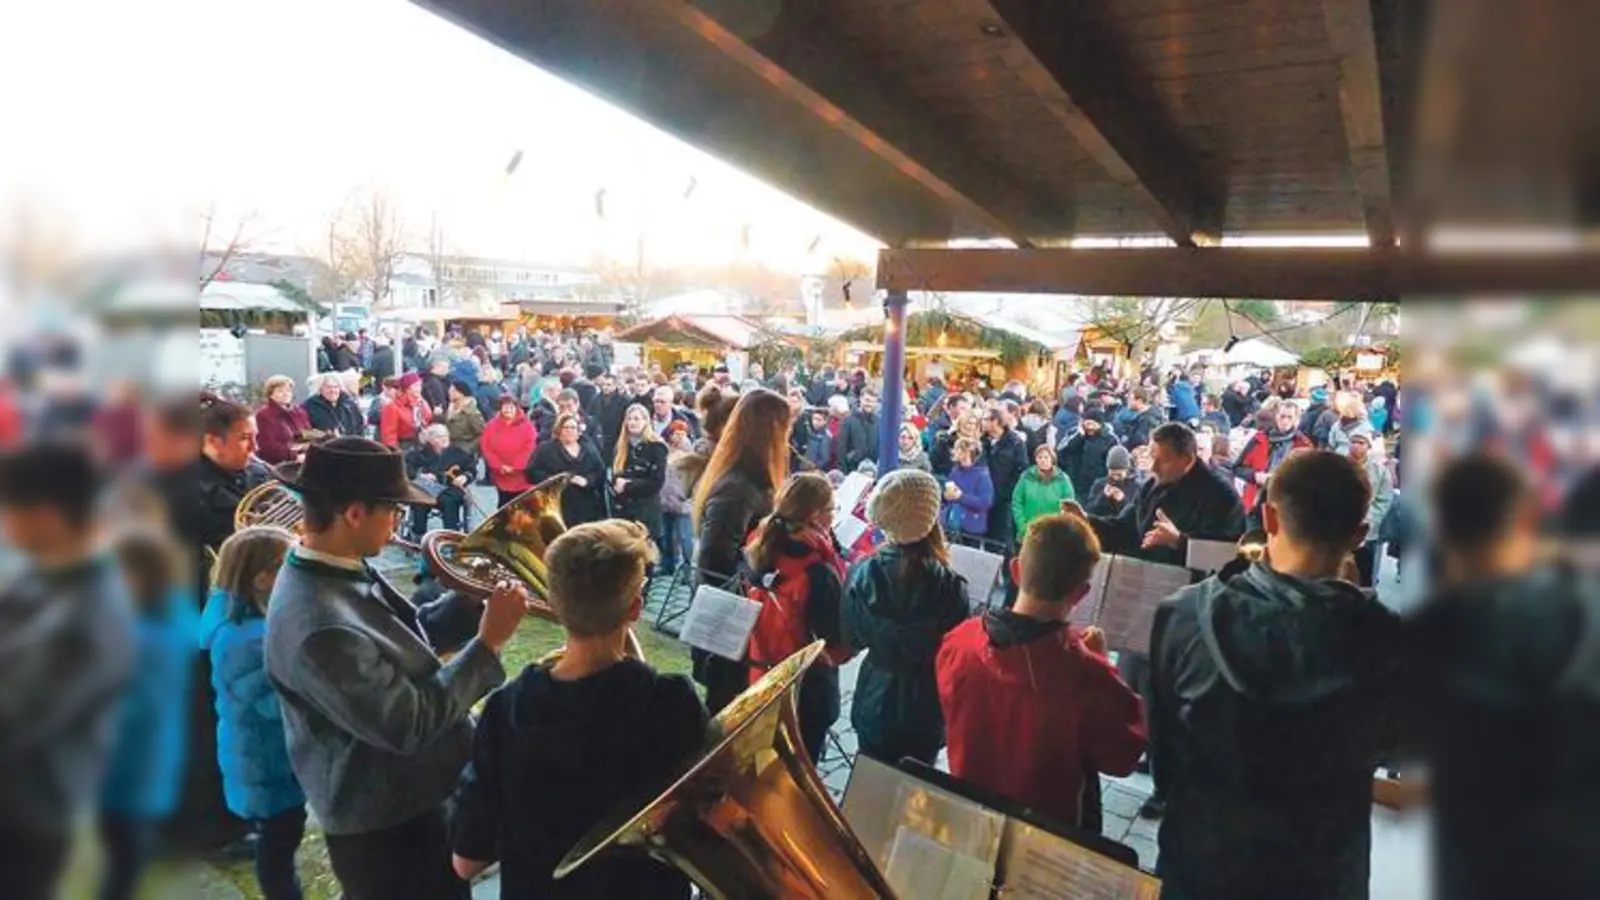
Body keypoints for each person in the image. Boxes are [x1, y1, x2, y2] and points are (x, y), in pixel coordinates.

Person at [264, 438, 527, 900]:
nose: (398, 521)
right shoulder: (319, 625)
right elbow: (408, 723)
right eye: (393, 510)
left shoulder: (335, 569)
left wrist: (468, 604)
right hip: (390, 827)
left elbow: (402, 641)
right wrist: (489, 643)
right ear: (354, 513)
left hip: (411, 805)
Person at [1148, 451, 1402, 900]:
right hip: (1319, 879)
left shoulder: (1183, 615)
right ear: (1359, 535)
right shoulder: (1389, 641)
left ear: (1267, 517)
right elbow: (1395, 746)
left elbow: (1165, 765)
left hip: (1202, 868)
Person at [450, 520, 705, 898]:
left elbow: (466, 862)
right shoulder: (671, 702)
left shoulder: (505, 711)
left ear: (553, 604)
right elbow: (708, 822)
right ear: (635, 608)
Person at [1407, 454, 1600, 900]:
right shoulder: (1579, 612)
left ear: (1441, 529)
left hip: (1478, 869)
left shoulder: (1429, 630)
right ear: (1529, 521)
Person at [937, 513, 1145, 828]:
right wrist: (1100, 661)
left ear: (1016, 571)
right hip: (1047, 834)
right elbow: (1122, 757)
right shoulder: (1088, 674)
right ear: (1081, 593)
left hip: (970, 816)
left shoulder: (959, 640)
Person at [0, 442, 136, 900]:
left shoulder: (87, 618)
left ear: (46, 516)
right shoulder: (41, 574)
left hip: (24, 815)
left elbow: (15, 716)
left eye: (8, 509)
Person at [200, 526, 307, 900]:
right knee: (279, 842)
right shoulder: (248, 641)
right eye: (290, 568)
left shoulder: (237, 620)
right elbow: (273, 704)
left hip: (260, 756)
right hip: (266, 762)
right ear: (262, 578)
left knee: (278, 837)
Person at [844, 469, 970, 765]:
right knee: (915, 786)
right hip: (925, 708)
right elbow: (955, 657)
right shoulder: (951, 586)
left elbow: (851, 639)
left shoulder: (862, 572)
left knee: (868, 781)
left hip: (874, 698)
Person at [97, 528, 195, 900]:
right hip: (134, 760)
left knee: (124, 853)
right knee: (123, 849)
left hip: (134, 764)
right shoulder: (164, 618)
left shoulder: (151, 634)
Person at [692, 388, 792, 713]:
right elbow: (714, 562)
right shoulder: (738, 489)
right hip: (729, 623)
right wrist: (764, 566)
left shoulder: (752, 482)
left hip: (741, 619)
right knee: (727, 711)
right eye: (784, 429)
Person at [743, 472, 851, 762]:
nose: (834, 515)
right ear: (815, 515)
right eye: (832, 509)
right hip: (806, 689)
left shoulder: (759, 545)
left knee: (764, 763)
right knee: (799, 769)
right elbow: (837, 645)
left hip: (762, 675)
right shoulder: (819, 572)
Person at [1234, 399, 1313, 522]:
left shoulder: (1303, 445)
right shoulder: (1259, 438)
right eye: (1282, 416)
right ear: (1276, 416)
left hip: (1285, 505)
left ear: (1297, 420)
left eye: (1290, 417)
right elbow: (1237, 467)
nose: (1285, 421)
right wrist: (1255, 476)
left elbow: (1309, 479)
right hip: (1256, 500)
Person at [527, 413, 608, 527]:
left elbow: (600, 471)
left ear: (578, 431)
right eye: (566, 427)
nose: (569, 430)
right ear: (559, 430)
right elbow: (531, 472)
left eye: (573, 427)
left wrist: (587, 481)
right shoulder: (545, 449)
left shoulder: (589, 448)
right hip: (558, 505)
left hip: (587, 506)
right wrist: (555, 480)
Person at [612, 404, 669, 550]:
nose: (632, 422)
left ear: (645, 421)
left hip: (646, 511)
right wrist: (616, 482)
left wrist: (628, 485)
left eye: (637, 419)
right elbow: (615, 474)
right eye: (629, 419)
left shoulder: (656, 447)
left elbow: (656, 482)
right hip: (624, 511)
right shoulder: (621, 446)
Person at [405, 425, 475, 535]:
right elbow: (408, 470)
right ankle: (418, 534)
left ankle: (450, 534)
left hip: (450, 488)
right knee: (419, 502)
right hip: (426, 489)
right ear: (430, 439)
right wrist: (421, 475)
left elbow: (471, 470)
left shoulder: (459, 453)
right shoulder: (417, 454)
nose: (444, 439)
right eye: (439, 436)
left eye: (445, 436)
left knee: (450, 501)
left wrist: (464, 477)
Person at [1347, 432, 1393, 588]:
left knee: (1364, 576)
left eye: (1361, 443)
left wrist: (1368, 519)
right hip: (1338, 531)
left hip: (1366, 532)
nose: (1356, 446)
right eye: (1353, 441)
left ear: (1368, 446)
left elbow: (1383, 500)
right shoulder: (1337, 466)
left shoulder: (1379, 471)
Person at [481, 394, 538, 509]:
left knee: (522, 508)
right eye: (505, 407)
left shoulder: (527, 426)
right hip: (500, 475)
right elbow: (486, 447)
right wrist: (499, 466)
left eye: (511, 407)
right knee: (504, 507)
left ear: (517, 408)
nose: (508, 410)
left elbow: (529, 448)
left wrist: (515, 467)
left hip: (522, 477)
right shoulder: (491, 425)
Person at [1011, 444, 1076, 539]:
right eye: (1040, 457)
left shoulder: (1063, 480)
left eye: (1046, 457)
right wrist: (1023, 527)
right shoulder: (1026, 477)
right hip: (1028, 533)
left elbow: (1069, 507)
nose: (1043, 460)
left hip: (1053, 535)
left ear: (1052, 459)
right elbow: (1017, 502)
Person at [657, 424, 698, 572]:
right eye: (676, 433)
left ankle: (688, 568)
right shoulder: (663, 452)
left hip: (683, 504)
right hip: (664, 502)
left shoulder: (690, 456)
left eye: (682, 433)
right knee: (666, 536)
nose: (679, 437)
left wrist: (687, 497)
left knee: (686, 538)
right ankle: (667, 565)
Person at [941, 436, 994, 543]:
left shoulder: (982, 475)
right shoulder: (955, 471)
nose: (955, 452)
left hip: (971, 529)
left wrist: (961, 497)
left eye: (959, 450)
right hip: (951, 524)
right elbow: (946, 495)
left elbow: (986, 503)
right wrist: (946, 496)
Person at [1059, 409, 1118, 498]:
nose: (1090, 428)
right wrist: (1080, 436)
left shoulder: (1110, 439)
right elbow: (1064, 451)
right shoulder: (1074, 433)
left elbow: (1113, 462)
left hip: (1097, 484)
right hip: (1075, 482)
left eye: (1093, 424)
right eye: (1087, 424)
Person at [256, 374, 314, 465]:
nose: (285, 394)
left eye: (288, 391)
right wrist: (294, 456)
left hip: (305, 460)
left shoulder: (300, 412)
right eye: (280, 391)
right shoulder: (264, 415)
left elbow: (309, 435)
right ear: (270, 394)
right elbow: (268, 446)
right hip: (281, 465)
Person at [379, 372, 432, 450]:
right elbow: (389, 435)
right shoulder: (392, 407)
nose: (419, 389)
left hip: (422, 443)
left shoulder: (421, 403)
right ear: (406, 388)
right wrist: (395, 452)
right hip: (404, 447)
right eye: (415, 386)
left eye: (420, 385)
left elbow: (428, 420)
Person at [304, 373, 365, 438]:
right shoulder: (308, 406)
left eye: (336, 387)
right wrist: (325, 436)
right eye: (328, 387)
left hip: (351, 444)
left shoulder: (350, 405)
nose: (333, 390)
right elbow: (304, 434)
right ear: (320, 389)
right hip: (325, 444)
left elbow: (360, 428)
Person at [587, 371, 631, 461]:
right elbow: (590, 417)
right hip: (599, 440)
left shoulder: (624, 401)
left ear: (615, 385)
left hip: (616, 439)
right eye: (603, 384)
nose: (605, 387)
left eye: (608, 385)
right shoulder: (595, 400)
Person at [835, 387, 880, 473]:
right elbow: (841, 450)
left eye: (873, 401)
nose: (869, 404)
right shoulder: (848, 421)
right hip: (852, 470)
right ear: (861, 399)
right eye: (867, 400)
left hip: (873, 471)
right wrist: (843, 472)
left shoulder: (878, 422)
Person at [1085, 445, 1134, 517]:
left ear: (1126, 470)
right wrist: (1103, 496)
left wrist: (1122, 500)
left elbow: (1137, 514)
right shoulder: (1099, 484)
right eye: (1112, 474)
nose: (1115, 478)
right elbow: (1089, 511)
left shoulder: (1135, 486)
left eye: (1119, 475)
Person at [444, 379, 485, 458]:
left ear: (461, 393)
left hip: (464, 449)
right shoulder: (450, 409)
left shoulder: (471, 412)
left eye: (453, 391)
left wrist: (468, 449)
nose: (449, 392)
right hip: (449, 447)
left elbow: (482, 434)